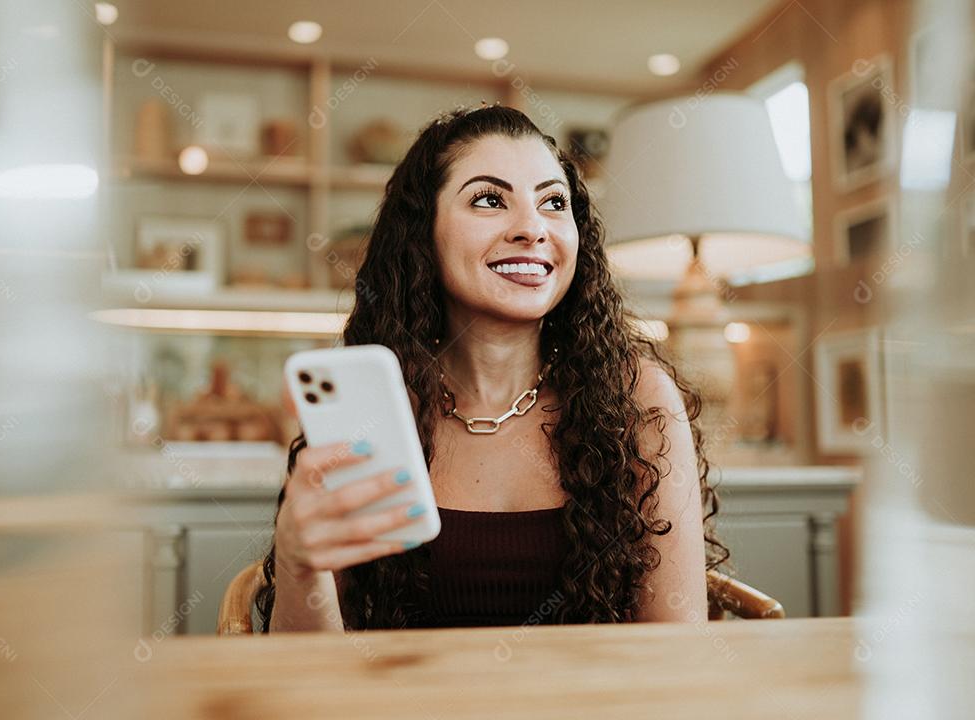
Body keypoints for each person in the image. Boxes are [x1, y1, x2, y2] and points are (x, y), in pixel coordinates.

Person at [258, 105, 727, 632]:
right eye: (488, 200)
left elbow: (677, 642)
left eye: (554, 202)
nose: (532, 228)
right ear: (423, 232)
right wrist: (299, 562)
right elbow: (309, 674)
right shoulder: (372, 407)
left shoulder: (637, 397)